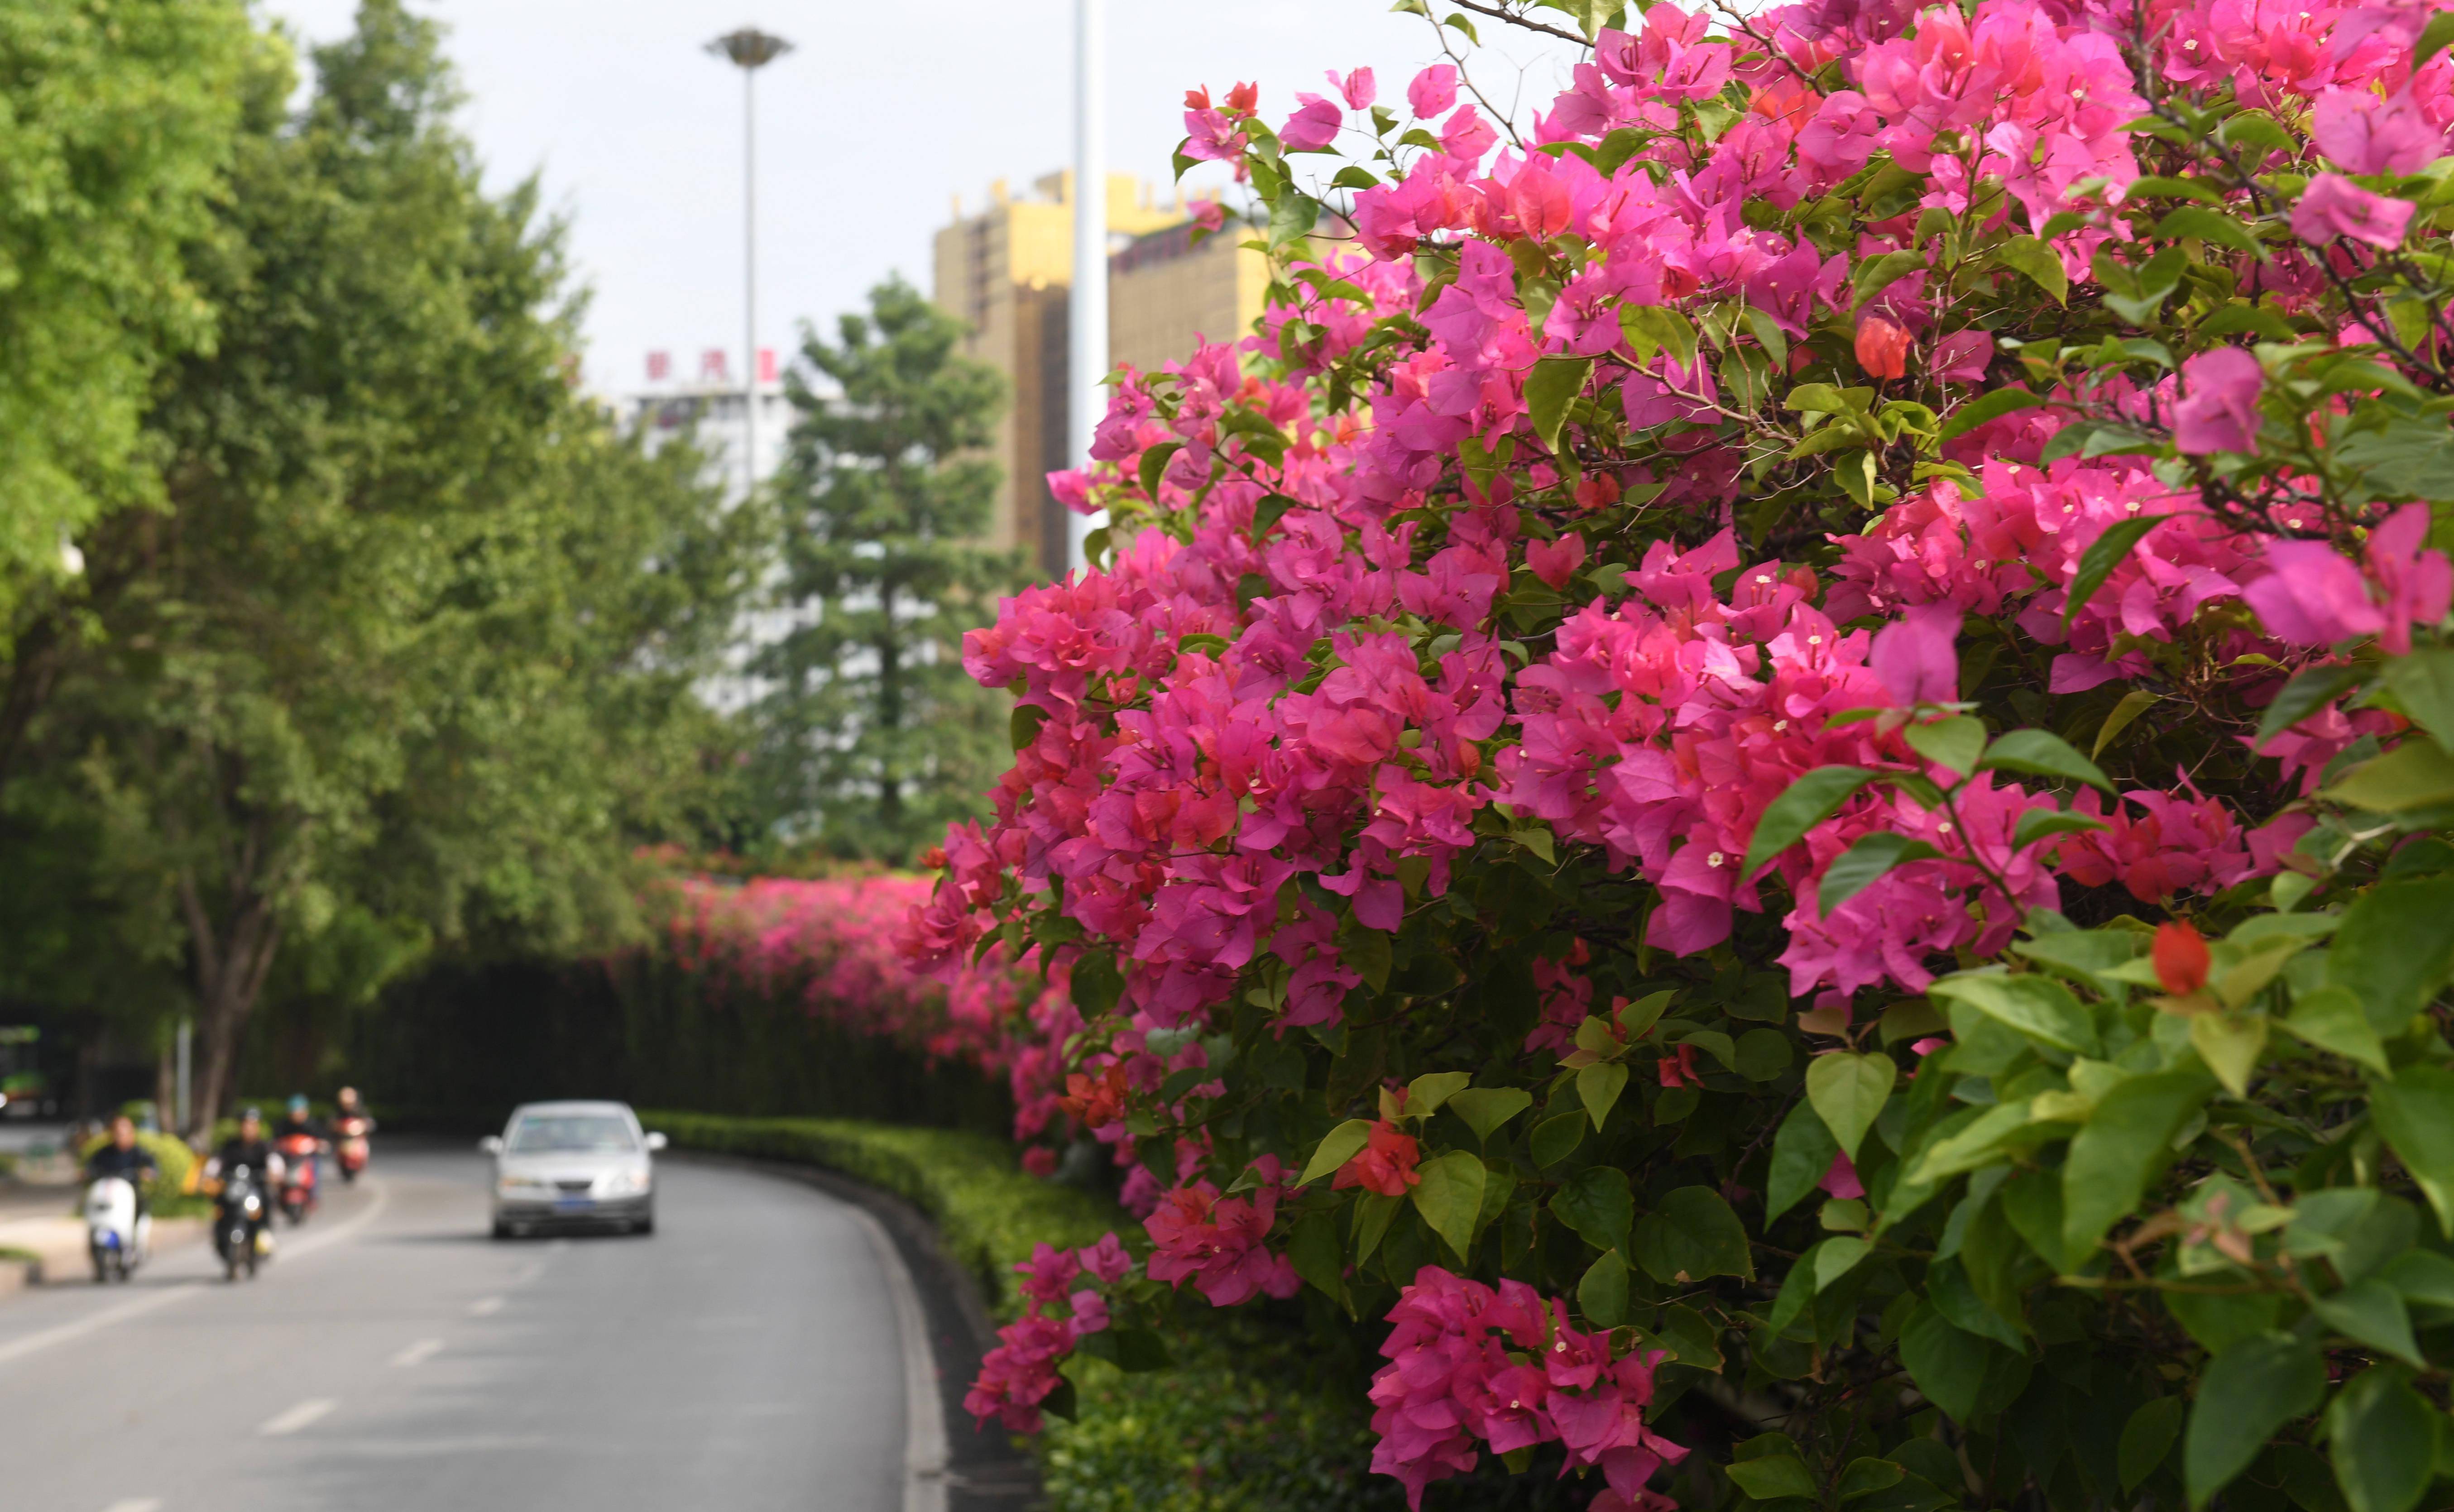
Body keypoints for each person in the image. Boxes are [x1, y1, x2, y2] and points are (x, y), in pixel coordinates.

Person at [83, 1115, 159, 1221]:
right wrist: (87, 1173)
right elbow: (92, 1165)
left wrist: (149, 1172)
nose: (120, 1137)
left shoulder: (137, 1152)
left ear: (131, 1134)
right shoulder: (104, 1153)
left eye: (123, 1134)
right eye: (117, 1134)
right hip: (108, 1192)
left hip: (130, 1191)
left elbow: (151, 1165)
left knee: (140, 1204)